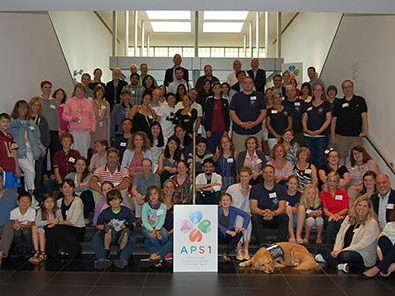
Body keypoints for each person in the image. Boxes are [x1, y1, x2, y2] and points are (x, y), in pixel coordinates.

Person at [316, 195, 379, 274]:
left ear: (369, 209)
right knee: (321, 247)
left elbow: (363, 244)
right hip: (343, 249)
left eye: (365, 206)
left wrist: (341, 251)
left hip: (362, 253)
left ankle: (328, 259)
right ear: (355, 206)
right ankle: (339, 265)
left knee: (344, 256)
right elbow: (340, 235)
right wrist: (336, 249)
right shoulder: (349, 218)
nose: (361, 208)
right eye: (359, 205)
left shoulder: (372, 223)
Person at [9, 100, 45, 194]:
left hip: (31, 151)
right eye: (20, 107)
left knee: (29, 175)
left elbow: (37, 137)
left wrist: (42, 147)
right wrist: (24, 125)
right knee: (30, 171)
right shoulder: (12, 122)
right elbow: (9, 135)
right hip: (20, 152)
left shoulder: (31, 123)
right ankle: (30, 197)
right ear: (16, 109)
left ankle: (27, 197)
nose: (23, 109)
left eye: (25, 107)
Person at [93, 189, 135, 270]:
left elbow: (134, 224)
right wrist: (106, 226)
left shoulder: (126, 211)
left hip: (122, 235)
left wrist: (126, 226)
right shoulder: (105, 212)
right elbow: (98, 225)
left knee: (127, 233)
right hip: (109, 235)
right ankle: (106, 252)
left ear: (120, 200)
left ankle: (121, 254)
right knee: (107, 230)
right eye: (111, 200)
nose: (114, 202)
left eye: (116, 199)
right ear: (108, 202)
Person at [331, 80, 369, 162]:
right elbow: (333, 121)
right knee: (340, 159)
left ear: (352, 87)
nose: (347, 89)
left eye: (349, 86)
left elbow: (364, 117)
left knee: (357, 159)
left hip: (356, 136)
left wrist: (365, 131)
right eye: (345, 87)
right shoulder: (338, 103)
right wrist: (333, 135)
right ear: (342, 89)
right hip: (341, 137)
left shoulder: (360, 100)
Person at [250, 164, 288, 244]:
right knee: (254, 217)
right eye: (266, 172)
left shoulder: (281, 189)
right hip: (261, 216)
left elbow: (282, 208)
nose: (268, 174)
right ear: (263, 175)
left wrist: (273, 213)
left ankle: (279, 244)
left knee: (284, 217)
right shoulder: (255, 188)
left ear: (274, 174)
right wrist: (264, 212)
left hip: (274, 216)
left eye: (270, 172)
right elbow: (253, 208)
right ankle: (263, 243)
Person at [46, 179, 85, 258]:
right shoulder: (59, 201)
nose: (67, 189)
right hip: (65, 227)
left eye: (70, 187)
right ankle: (50, 253)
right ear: (61, 189)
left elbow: (73, 222)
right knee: (49, 228)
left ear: (73, 189)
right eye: (65, 187)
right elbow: (55, 216)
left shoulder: (78, 201)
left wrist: (57, 222)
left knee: (57, 229)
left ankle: (74, 248)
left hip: (77, 228)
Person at [230, 76, 267, 153]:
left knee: (256, 155)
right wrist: (241, 123)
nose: (248, 85)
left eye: (250, 83)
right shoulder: (236, 96)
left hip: (256, 131)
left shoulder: (259, 96)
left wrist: (255, 123)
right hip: (239, 132)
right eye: (245, 83)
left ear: (253, 84)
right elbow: (232, 112)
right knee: (240, 155)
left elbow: (263, 111)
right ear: (242, 84)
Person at [302, 82, 332, 168]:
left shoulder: (326, 104)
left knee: (321, 159)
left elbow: (328, 119)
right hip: (308, 136)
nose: (317, 91)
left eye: (319, 90)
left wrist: (320, 130)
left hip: (321, 137)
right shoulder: (308, 104)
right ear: (313, 91)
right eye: (315, 90)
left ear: (322, 91)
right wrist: (306, 129)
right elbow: (304, 118)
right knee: (310, 159)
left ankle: (320, 179)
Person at [62, 83, 97, 157]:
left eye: (81, 90)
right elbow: (64, 115)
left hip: (86, 132)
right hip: (74, 131)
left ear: (84, 92)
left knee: (84, 151)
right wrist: (72, 118)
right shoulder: (69, 101)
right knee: (73, 151)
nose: (79, 92)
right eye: (77, 90)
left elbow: (92, 116)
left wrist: (92, 128)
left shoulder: (89, 102)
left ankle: (83, 167)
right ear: (74, 92)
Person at [226, 167, 252, 260]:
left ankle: (246, 247)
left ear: (250, 177)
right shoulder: (232, 188)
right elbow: (225, 202)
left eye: (246, 176)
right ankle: (239, 246)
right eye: (241, 176)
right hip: (233, 215)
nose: (243, 178)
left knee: (247, 218)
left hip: (248, 215)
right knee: (240, 218)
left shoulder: (253, 190)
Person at [29, 194, 61, 264]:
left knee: (40, 229)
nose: (50, 204)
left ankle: (42, 253)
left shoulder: (57, 210)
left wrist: (53, 222)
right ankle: (37, 251)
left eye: (51, 202)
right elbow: (37, 222)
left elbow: (59, 220)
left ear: (54, 203)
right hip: (44, 227)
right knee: (34, 227)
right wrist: (49, 221)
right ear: (43, 203)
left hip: (52, 229)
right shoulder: (40, 210)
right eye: (47, 202)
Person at [218, 192, 250, 262]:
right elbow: (215, 223)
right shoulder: (217, 210)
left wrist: (244, 227)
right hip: (219, 235)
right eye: (223, 200)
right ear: (220, 202)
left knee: (240, 232)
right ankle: (225, 254)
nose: (225, 202)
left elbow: (247, 216)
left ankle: (225, 253)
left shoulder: (233, 209)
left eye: (227, 200)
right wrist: (228, 231)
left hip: (229, 235)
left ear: (231, 202)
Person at [363, 208, 395, 278]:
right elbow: (379, 246)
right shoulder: (389, 225)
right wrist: (384, 263)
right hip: (389, 260)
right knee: (382, 239)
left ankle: (378, 268)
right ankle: (384, 266)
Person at [320, 172, 350, 245]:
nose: (331, 183)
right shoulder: (323, 193)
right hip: (328, 216)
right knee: (331, 224)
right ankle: (327, 246)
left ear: (337, 183)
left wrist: (336, 215)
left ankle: (340, 246)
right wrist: (333, 216)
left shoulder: (343, 193)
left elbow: (346, 209)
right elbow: (325, 210)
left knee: (340, 223)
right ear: (327, 182)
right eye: (330, 181)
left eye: (334, 181)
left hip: (341, 216)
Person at [29, 97, 50, 192]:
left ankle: (36, 191)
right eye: (34, 105)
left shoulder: (42, 119)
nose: (36, 107)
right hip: (28, 149)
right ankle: (28, 191)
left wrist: (44, 148)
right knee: (29, 171)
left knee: (38, 171)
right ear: (30, 105)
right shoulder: (26, 118)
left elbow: (46, 134)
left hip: (40, 149)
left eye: (38, 105)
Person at [141, 186, 169, 255]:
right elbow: (144, 221)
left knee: (165, 235)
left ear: (159, 194)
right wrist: (152, 230)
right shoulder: (145, 206)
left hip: (158, 227)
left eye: (155, 193)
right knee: (152, 237)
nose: (153, 196)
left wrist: (156, 230)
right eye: (151, 194)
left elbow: (162, 220)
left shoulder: (163, 206)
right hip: (147, 227)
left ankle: (148, 243)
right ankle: (162, 254)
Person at [204, 82, 230, 154]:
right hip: (212, 130)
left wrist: (226, 130)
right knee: (211, 150)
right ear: (212, 90)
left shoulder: (225, 101)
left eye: (219, 88)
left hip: (222, 130)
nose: (217, 90)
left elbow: (227, 117)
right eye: (215, 88)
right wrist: (207, 129)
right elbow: (206, 116)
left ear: (221, 89)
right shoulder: (209, 101)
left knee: (222, 150)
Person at [65, 156, 94, 223]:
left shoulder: (89, 175)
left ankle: (85, 217)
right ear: (75, 165)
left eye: (83, 165)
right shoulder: (70, 175)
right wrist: (82, 185)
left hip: (85, 196)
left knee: (86, 194)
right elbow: (66, 187)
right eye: (78, 164)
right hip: (73, 194)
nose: (80, 167)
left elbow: (87, 188)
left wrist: (76, 187)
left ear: (86, 166)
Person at [40, 81, 61, 167]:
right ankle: (44, 174)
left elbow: (57, 117)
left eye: (49, 87)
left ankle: (53, 172)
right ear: (41, 88)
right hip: (43, 131)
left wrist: (59, 130)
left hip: (54, 131)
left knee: (55, 153)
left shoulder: (54, 102)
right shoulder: (38, 100)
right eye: (46, 87)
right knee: (44, 152)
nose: (48, 89)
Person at [9, 192, 35, 257]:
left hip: (28, 228)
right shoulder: (13, 212)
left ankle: (29, 248)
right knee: (16, 231)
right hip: (19, 227)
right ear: (18, 202)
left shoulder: (32, 211)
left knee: (26, 231)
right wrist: (16, 225)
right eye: (22, 201)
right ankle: (19, 247)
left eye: (27, 201)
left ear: (30, 203)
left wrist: (20, 225)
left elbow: (29, 224)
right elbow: (14, 222)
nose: (25, 203)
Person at [0, 173, 18, 266]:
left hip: (8, 223)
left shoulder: (12, 194)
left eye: (0, 181)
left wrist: (17, 221)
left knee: (9, 224)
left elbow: (22, 208)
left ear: (3, 182)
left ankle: (1, 252)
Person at [0, 113, 21, 190]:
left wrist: (17, 167)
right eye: (3, 121)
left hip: (12, 167)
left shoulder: (10, 136)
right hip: (3, 168)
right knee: (4, 190)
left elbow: (14, 152)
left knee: (13, 190)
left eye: (7, 121)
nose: (6, 123)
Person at [284, 175, 301, 243]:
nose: (292, 185)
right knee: (288, 209)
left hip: (298, 219)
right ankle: (292, 236)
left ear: (297, 185)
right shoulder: (282, 193)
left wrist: (294, 209)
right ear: (287, 183)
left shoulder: (300, 195)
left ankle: (298, 235)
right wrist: (292, 209)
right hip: (287, 219)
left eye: (295, 184)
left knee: (301, 208)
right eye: (291, 183)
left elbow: (300, 210)